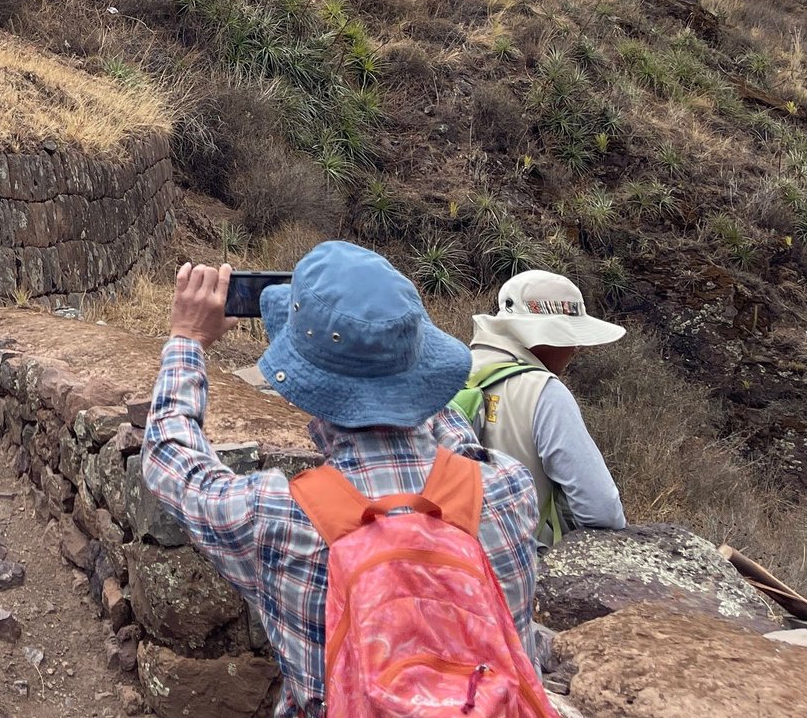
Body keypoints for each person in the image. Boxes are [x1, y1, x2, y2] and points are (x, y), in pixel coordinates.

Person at [144, 244, 543, 716]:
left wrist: (187, 339)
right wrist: (396, 354)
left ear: (306, 380)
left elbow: (170, 459)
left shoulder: (276, 516)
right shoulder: (507, 490)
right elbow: (455, 443)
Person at [458, 270, 628, 547]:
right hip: (520, 563)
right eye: (569, 336)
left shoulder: (454, 372)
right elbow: (602, 510)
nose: (575, 347)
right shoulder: (544, 392)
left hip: (449, 556)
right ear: (544, 335)